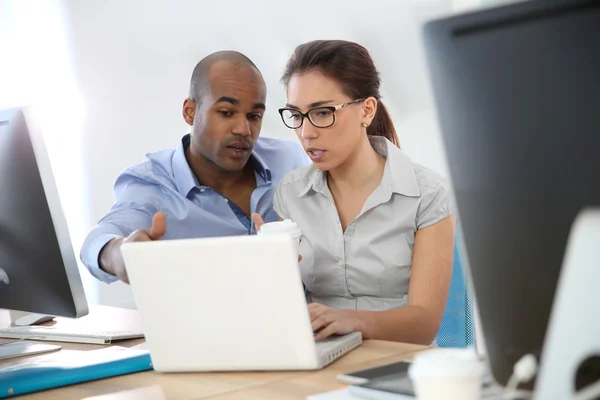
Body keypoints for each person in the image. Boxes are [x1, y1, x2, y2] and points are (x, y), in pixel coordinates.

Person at [253, 40, 455, 345]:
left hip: (398, 363)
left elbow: (424, 323)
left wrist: (353, 321)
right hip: (319, 358)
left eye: (322, 113)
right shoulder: (291, 193)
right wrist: (270, 269)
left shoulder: (427, 194)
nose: (306, 133)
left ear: (366, 110)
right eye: (296, 115)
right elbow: (286, 308)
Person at [81, 51, 309, 285]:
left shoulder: (289, 160)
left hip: (299, 318)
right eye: (226, 112)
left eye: (254, 116)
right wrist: (119, 253)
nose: (243, 129)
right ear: (190, 111)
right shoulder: (153, 184)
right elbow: (96, 241)